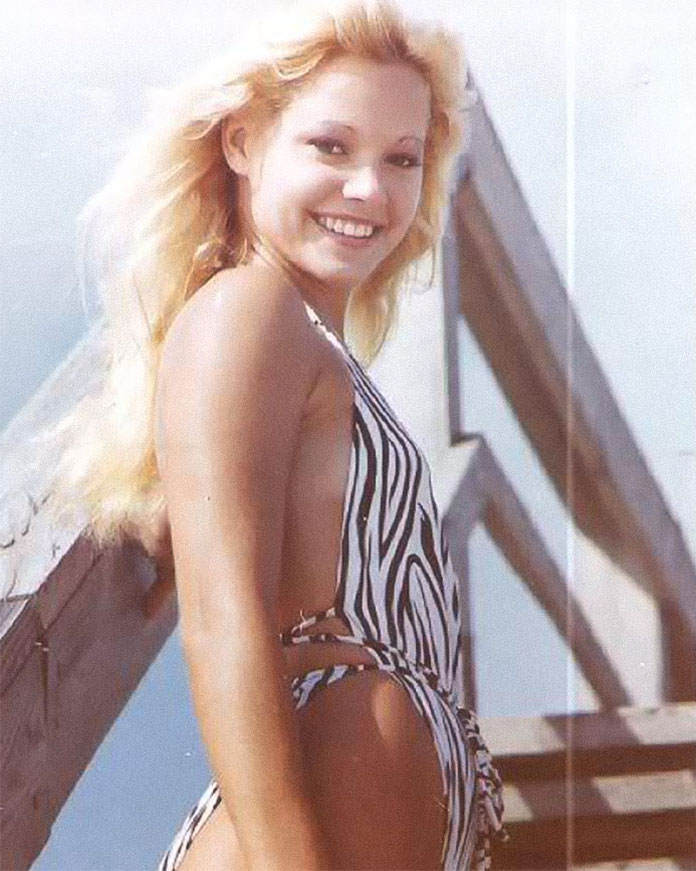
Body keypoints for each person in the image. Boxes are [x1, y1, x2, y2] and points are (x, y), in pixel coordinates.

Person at [46, 0, 508, 867]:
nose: (369, 188)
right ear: (243, 144)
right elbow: (223, 618)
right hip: (318, 795)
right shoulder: (247, 314)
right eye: (331, 147)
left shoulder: (310, 344)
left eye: (401, 158)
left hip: (375, 784)